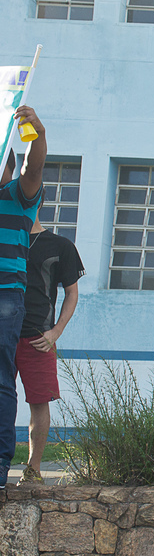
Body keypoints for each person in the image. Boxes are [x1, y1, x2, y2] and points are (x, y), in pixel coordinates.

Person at [17, 216, 83, 485]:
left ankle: (33, 470)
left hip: (37, 337)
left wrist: (55, 331)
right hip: (3, 335)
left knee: (39, 402)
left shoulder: (60, 245)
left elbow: (72, 293)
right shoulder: (6, 240)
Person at [0, 105, 46, 491]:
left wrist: (37, 133)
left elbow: (35, 167)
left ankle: (1, 468)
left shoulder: (18, 195)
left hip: (5, 298)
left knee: (0, 381)